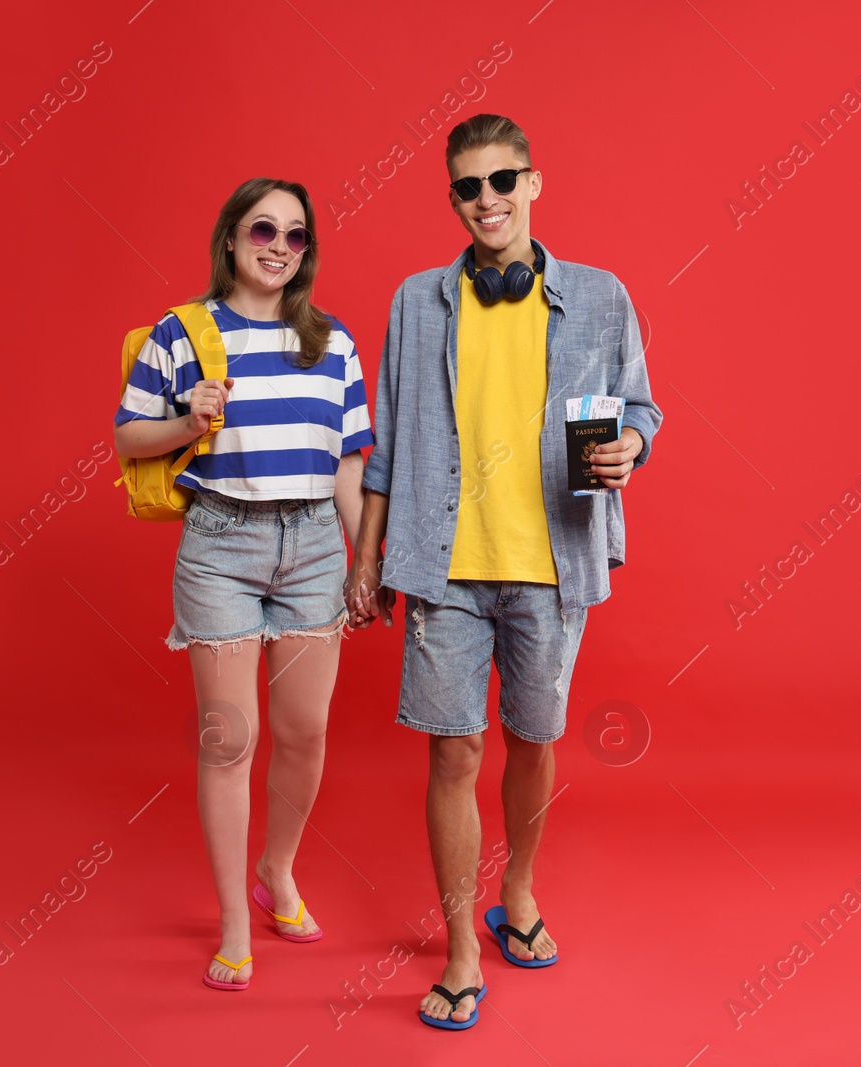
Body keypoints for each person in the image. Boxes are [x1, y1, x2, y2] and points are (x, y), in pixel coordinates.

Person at [347, 114, 662, 1029]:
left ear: (533, 183)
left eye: (500, 180)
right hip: (444, 567)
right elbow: (388, 439)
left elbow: (641, 404)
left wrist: (630, 446)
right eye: (467, 187)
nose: (485, 199)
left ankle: (516, 891)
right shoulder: (416, 302)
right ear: (454, 197)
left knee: (533, 738)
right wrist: (367, 557)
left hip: (552, 564)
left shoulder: (600, 297)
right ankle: (457, 951)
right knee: (453, 751)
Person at [113, 177, 373, 992]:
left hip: (313, 553)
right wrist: (189, 422)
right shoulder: (181, 333)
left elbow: (349, 463)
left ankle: (278, 870)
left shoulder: (331, 342)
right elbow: (127, 437)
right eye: (263, 229)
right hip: (221, 541)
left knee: (304, 733)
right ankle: (233, 920)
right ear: (230, 237)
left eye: (296, 236)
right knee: (230, 741)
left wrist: (362, 556)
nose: (278, 247)